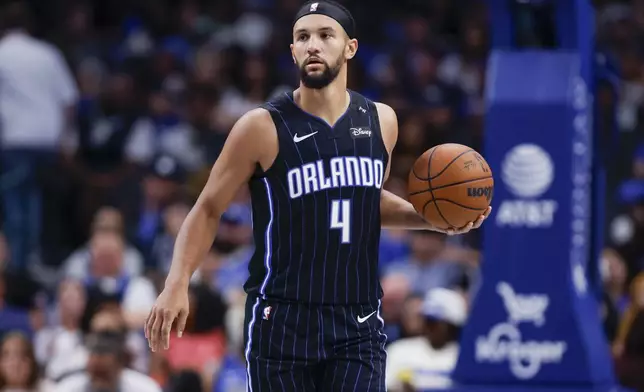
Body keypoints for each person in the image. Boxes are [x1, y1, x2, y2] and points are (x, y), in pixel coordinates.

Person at [144, 1, 491, 390]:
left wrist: (432, 218)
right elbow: (208, 207)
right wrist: (177, 282)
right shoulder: (261, 126)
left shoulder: (382, 121)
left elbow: (364, 201)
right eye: (302, 37)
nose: (313, 45)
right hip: (283, 318)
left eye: (326, 35)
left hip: (357, 319)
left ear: (350, 47)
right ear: (292, 51)